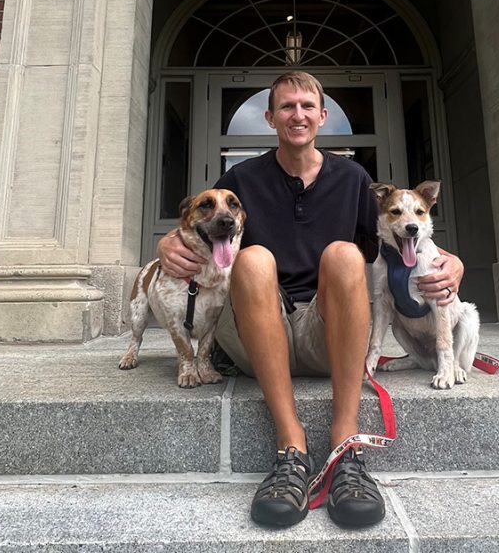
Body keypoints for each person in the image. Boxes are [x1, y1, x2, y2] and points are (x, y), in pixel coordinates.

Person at [157, 71, 463, 529]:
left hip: (328, 332)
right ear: (270, 117)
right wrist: (165, 244)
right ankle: (290, 448)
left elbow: (395, 237)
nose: (296, 115)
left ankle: (346, 444)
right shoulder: (240, 179)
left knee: (344, 255)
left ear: (322, 116)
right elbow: (202, 220)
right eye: (286, 106)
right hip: (258, 333)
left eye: (306, 106)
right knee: (255, 258)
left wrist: (451, 262)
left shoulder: (354, 179)